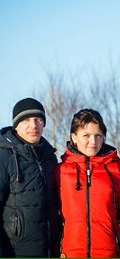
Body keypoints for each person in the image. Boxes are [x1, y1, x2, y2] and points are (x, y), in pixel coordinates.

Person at [56, 109, 120, 258]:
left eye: (98, 136)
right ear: (74, 137)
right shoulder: (60, 172)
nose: (93, 142)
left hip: (110, 252)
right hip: (70, 253)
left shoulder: (118, 171)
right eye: (86, 136)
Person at [0, 97, 61, 257]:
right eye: (26, 120)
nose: (33, 125)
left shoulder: (50, 157)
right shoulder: (4, 156)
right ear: (16, 125)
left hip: (50, 250)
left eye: (38, 119)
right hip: (15, 251)